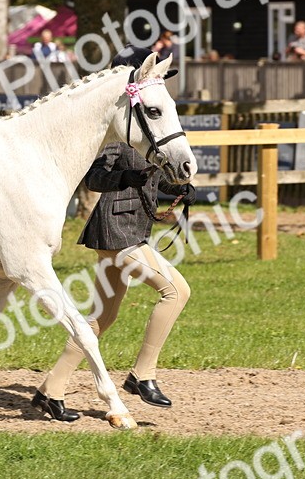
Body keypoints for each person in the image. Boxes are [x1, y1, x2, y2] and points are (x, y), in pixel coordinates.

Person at [31, 47, 195, 423]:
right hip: (117, 233)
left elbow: (142, 182)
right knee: (176, 291)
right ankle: (142, 375)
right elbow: (96, 179)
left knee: (101, 318)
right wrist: (131, 176)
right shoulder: (118, 129)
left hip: (126, 228)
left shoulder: (146, 127)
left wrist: (173, 195)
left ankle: (50, 391)